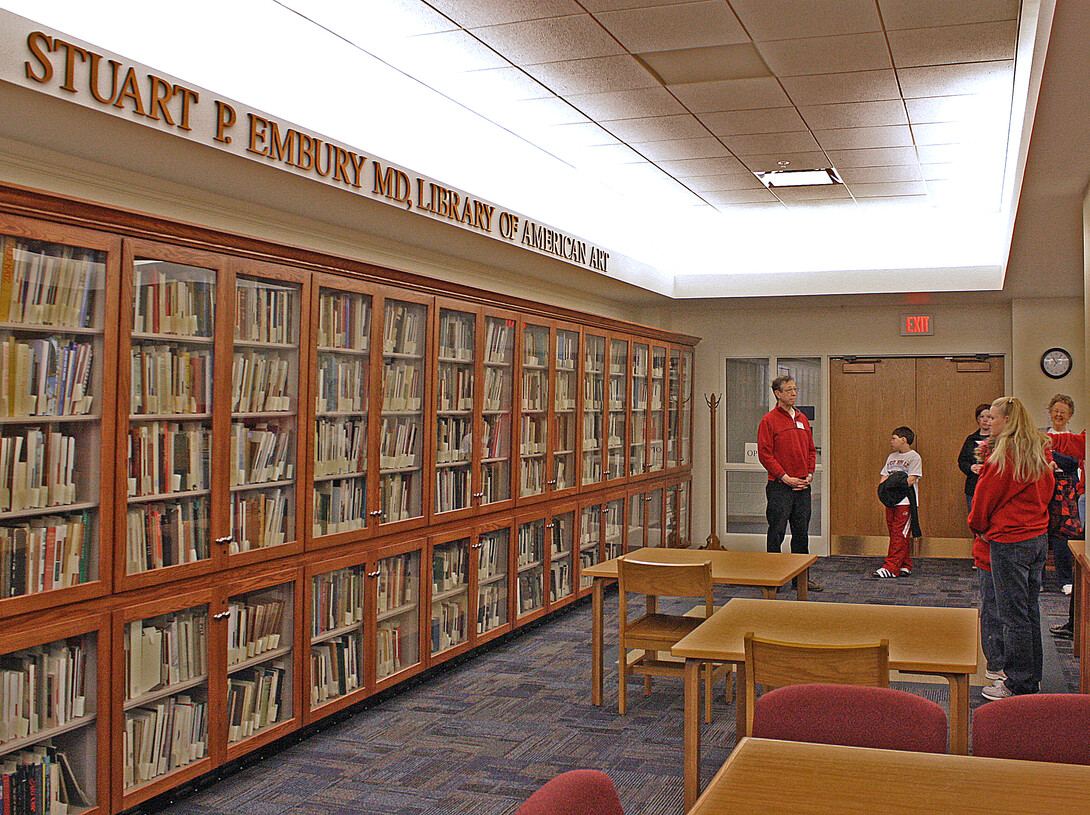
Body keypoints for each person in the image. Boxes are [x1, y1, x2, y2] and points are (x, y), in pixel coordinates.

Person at [969, 396, 1055, 700]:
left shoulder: (1002, 458)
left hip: (1009, 542)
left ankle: (1017, 684)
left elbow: (982, 504)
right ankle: (1032, 678)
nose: (989, 422)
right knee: (1030, 612)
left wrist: (978, 527)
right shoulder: (1037, 454)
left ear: (1007, 421)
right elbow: (1046, 495)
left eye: (993, 417)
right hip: (1036, 539)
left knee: (1013, 615)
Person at [757, 375, 822, 592]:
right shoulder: (769, 420)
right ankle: (772, 579)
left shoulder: (802, 419)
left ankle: (800, 580)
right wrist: (785, 477)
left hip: (803, 487)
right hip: (780, 486)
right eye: (789, 390)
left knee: (801, 534)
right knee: (776, 532)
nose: (793, 393)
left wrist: (809, 473)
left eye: (795, 389)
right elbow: (765, 455)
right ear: (778, 394)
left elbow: (811, 450)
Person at [1043, 394, 1084, 593]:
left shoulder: (1076, 439)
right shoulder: (1040, 435)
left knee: (1063, 534)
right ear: (1050, 413)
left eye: (1063, 412)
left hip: (1068, 491)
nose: (1059, 415)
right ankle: (1038, 580)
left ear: (1070, 416)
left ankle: (1065, 580)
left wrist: (1052, 456)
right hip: (1044, 487)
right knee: (1041, 531)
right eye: (1056, 411)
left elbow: (1075, 463)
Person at [872, 426, 922, 578]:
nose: (891, 441)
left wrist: (894, 483)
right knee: (895, 534)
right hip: (891, 501)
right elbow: (884, 478)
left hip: (905, 502)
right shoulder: (891, 457)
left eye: (894, 438)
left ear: (903, 440)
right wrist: (887, 489)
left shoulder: (914, 457)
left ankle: (891, 567)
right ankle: (905, 564)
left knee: (899, 534)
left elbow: (910, 480)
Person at [958, 404, 992, 514]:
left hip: (992, 484)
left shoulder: (999, 439)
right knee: (974, 516)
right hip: (974, 485)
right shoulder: (971, 439)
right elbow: (962, 460)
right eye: (982, 417)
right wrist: (971, 467)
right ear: (978, 419)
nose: (985, 420)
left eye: (989, 416)